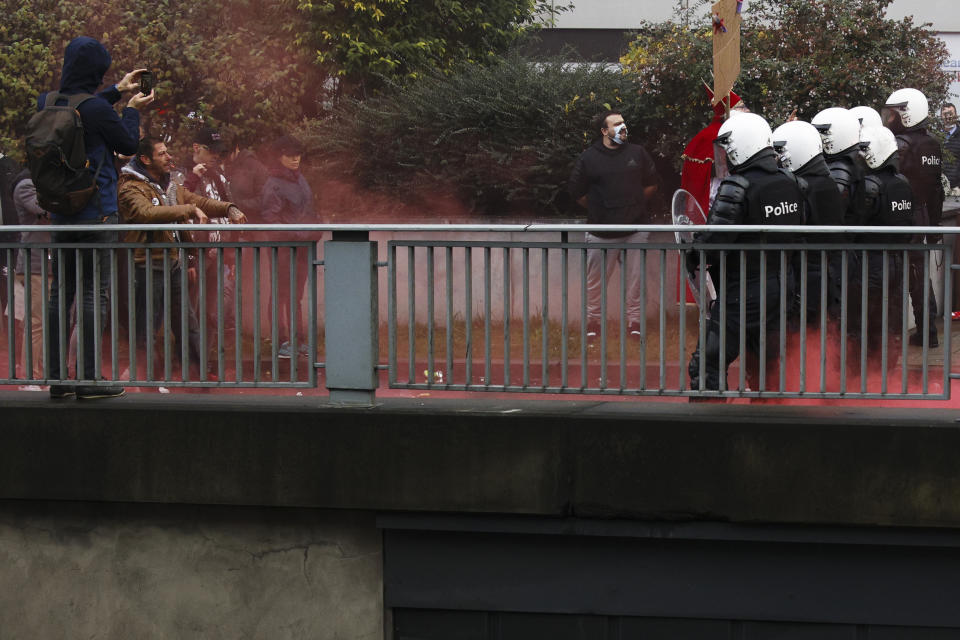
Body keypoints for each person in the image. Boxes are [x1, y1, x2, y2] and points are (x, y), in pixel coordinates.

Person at [39, 36, 153, 400]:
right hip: (96, 213)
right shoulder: (96, 110)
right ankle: (89, 379)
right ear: (95, 71)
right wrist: (132, 107)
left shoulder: (48, 102)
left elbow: (83, 108)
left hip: (61, 213)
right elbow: (129, 146)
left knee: (61, 293)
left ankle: (58, 379)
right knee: (93, 293)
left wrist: (116, 90)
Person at [686, 112, 804, 393]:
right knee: (766, 365)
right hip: (782, 286)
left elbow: (714, 241)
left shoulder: (737, 186)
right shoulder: (790, 182)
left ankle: (708, 426)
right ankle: (769, 425)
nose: (725, 156)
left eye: (728, 148)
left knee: (707, 365)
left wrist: (693, 253)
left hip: (744, 291)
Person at [118, 137, 244, 381]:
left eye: (168, 152)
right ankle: (144, 379)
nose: (169, 157)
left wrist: (229, 207)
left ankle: (196, 376)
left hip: (174, 262)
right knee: (147, 328)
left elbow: (200, 201)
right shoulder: (130, 186)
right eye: (162, 154)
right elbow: (146, 213)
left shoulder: (171, 185)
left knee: (188, 324)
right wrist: (187, 211)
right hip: (147, 264)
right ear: (145, 159)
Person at [568, 110, 660, 340]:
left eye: (624, 123)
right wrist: (601, 209)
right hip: (601, 232)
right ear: (604, 131)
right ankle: (593, 323)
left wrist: (634, 206)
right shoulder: (589, 157)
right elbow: (577, 192)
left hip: (635, 230)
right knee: (595, 283)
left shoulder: (637, 153)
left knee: (635, 282)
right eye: (617, 124)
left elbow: (652, 184)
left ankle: (635, 324)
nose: (623, 127)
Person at [882, 88, 942, 346]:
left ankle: (896, 337)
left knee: (900, 278)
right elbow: (936, 189)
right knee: (920, 276)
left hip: (902, 216)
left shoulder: (901, 146)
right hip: (924, 214)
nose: (889, 119)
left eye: (894, 114)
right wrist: (935, 225)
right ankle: (927, 332)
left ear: (907, 114)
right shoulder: (932, 143)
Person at [772, 120, 844, 320]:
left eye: (781, 151)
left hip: (810, 273)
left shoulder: (805, 186)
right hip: (827, 269)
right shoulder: (825, 180)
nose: (779, 158)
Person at [858, 124, 916, 364]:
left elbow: (856, 223)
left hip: (872, 261)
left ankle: (865, 373)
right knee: (890, 318)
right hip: (897, 259)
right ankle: (888, 371)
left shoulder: (871, 187)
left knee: (867, 318)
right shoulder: (902, 182)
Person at [182, 127, 246, 333]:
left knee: (211, 312)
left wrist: (232, 250)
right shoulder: (181, 173)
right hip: (195, 253)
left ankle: (205, 359)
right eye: (211, 151)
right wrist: (189, 257)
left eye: (218, 152)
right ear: (197, 148)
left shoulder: (219, 176)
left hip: (217, 252)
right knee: (189, 308)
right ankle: (187, 359)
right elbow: (178, 207)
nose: (216, 156)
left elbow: (230, 208)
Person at [260, 135, 316, 358]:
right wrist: (299, 233)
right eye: (290, 155)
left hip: (300, 246)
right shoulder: (273, 184)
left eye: (298, 154)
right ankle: (282, 340)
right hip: (283, 248)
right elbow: (270, 219)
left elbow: (310, 208)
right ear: (279, 157)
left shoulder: (300, 178)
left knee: (296, 295)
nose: (296, 159)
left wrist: (315, 230)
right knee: (281, 294)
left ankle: (298, 339)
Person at [10, 170, 52, 381]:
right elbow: (47, 210)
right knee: (36, 322)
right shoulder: (26, 185)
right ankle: (31, 376)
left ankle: (43, 374)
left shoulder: (42, 182)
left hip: (51, 262)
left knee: (45, 321)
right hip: (35, 263)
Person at [942, 103, 959, 191]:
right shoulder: (935, 135)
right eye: (945, 114)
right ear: (941, 116)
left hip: (955, 188)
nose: (948, 117)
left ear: (956, 115)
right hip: (937, 187)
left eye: (951, 114)